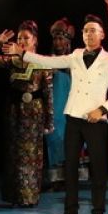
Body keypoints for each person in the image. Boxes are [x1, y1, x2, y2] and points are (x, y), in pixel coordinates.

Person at [13, 15, 108, 214]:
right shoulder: (75, 55)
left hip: (95, 120)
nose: (89, 34)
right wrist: (24, 54)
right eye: (86, 31)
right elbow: (49, 61)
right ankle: (70, 210)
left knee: (98, 167)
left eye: (93, 30)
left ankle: (98, 210)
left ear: (102, 35)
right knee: (70, 166)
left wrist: (102, 110)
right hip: (74, 116)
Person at [0, 22, 54, 207]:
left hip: (34, 113)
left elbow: (48, 94)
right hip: (14, 112)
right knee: (14, 154)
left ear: (35, 40)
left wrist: (50, 121)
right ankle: (14, 196)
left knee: (31, 154)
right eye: (19, 38)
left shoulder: (42, 62)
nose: (22, 41)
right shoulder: (12, 60)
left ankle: (29, 197)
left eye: (26, 38)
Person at [45, 18, 75, 189]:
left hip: (69, 103)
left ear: (67, 41)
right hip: (54, 103)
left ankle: (70, 178)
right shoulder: (49, 60)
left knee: (69, 139)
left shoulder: (74, 59)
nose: (58, 42)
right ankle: (56, 179)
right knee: (53, 138)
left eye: (61, 39)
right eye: (55, 39)